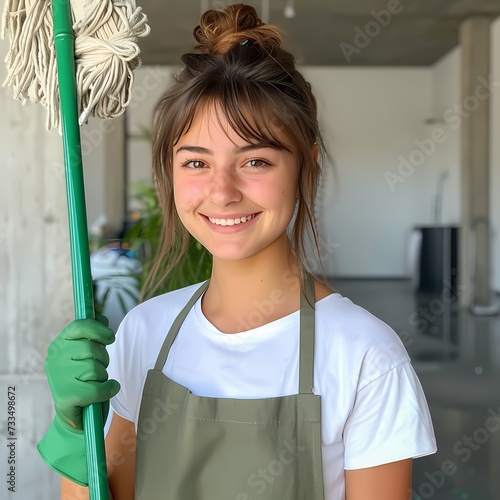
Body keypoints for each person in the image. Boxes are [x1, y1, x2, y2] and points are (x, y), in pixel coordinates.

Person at [38, 4, 437, 499]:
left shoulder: (364, 355)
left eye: (255, 160)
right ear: (170, 170)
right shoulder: (143, 332)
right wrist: (74, 433)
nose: (222, 192)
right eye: (196, 162)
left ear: (306, 166)